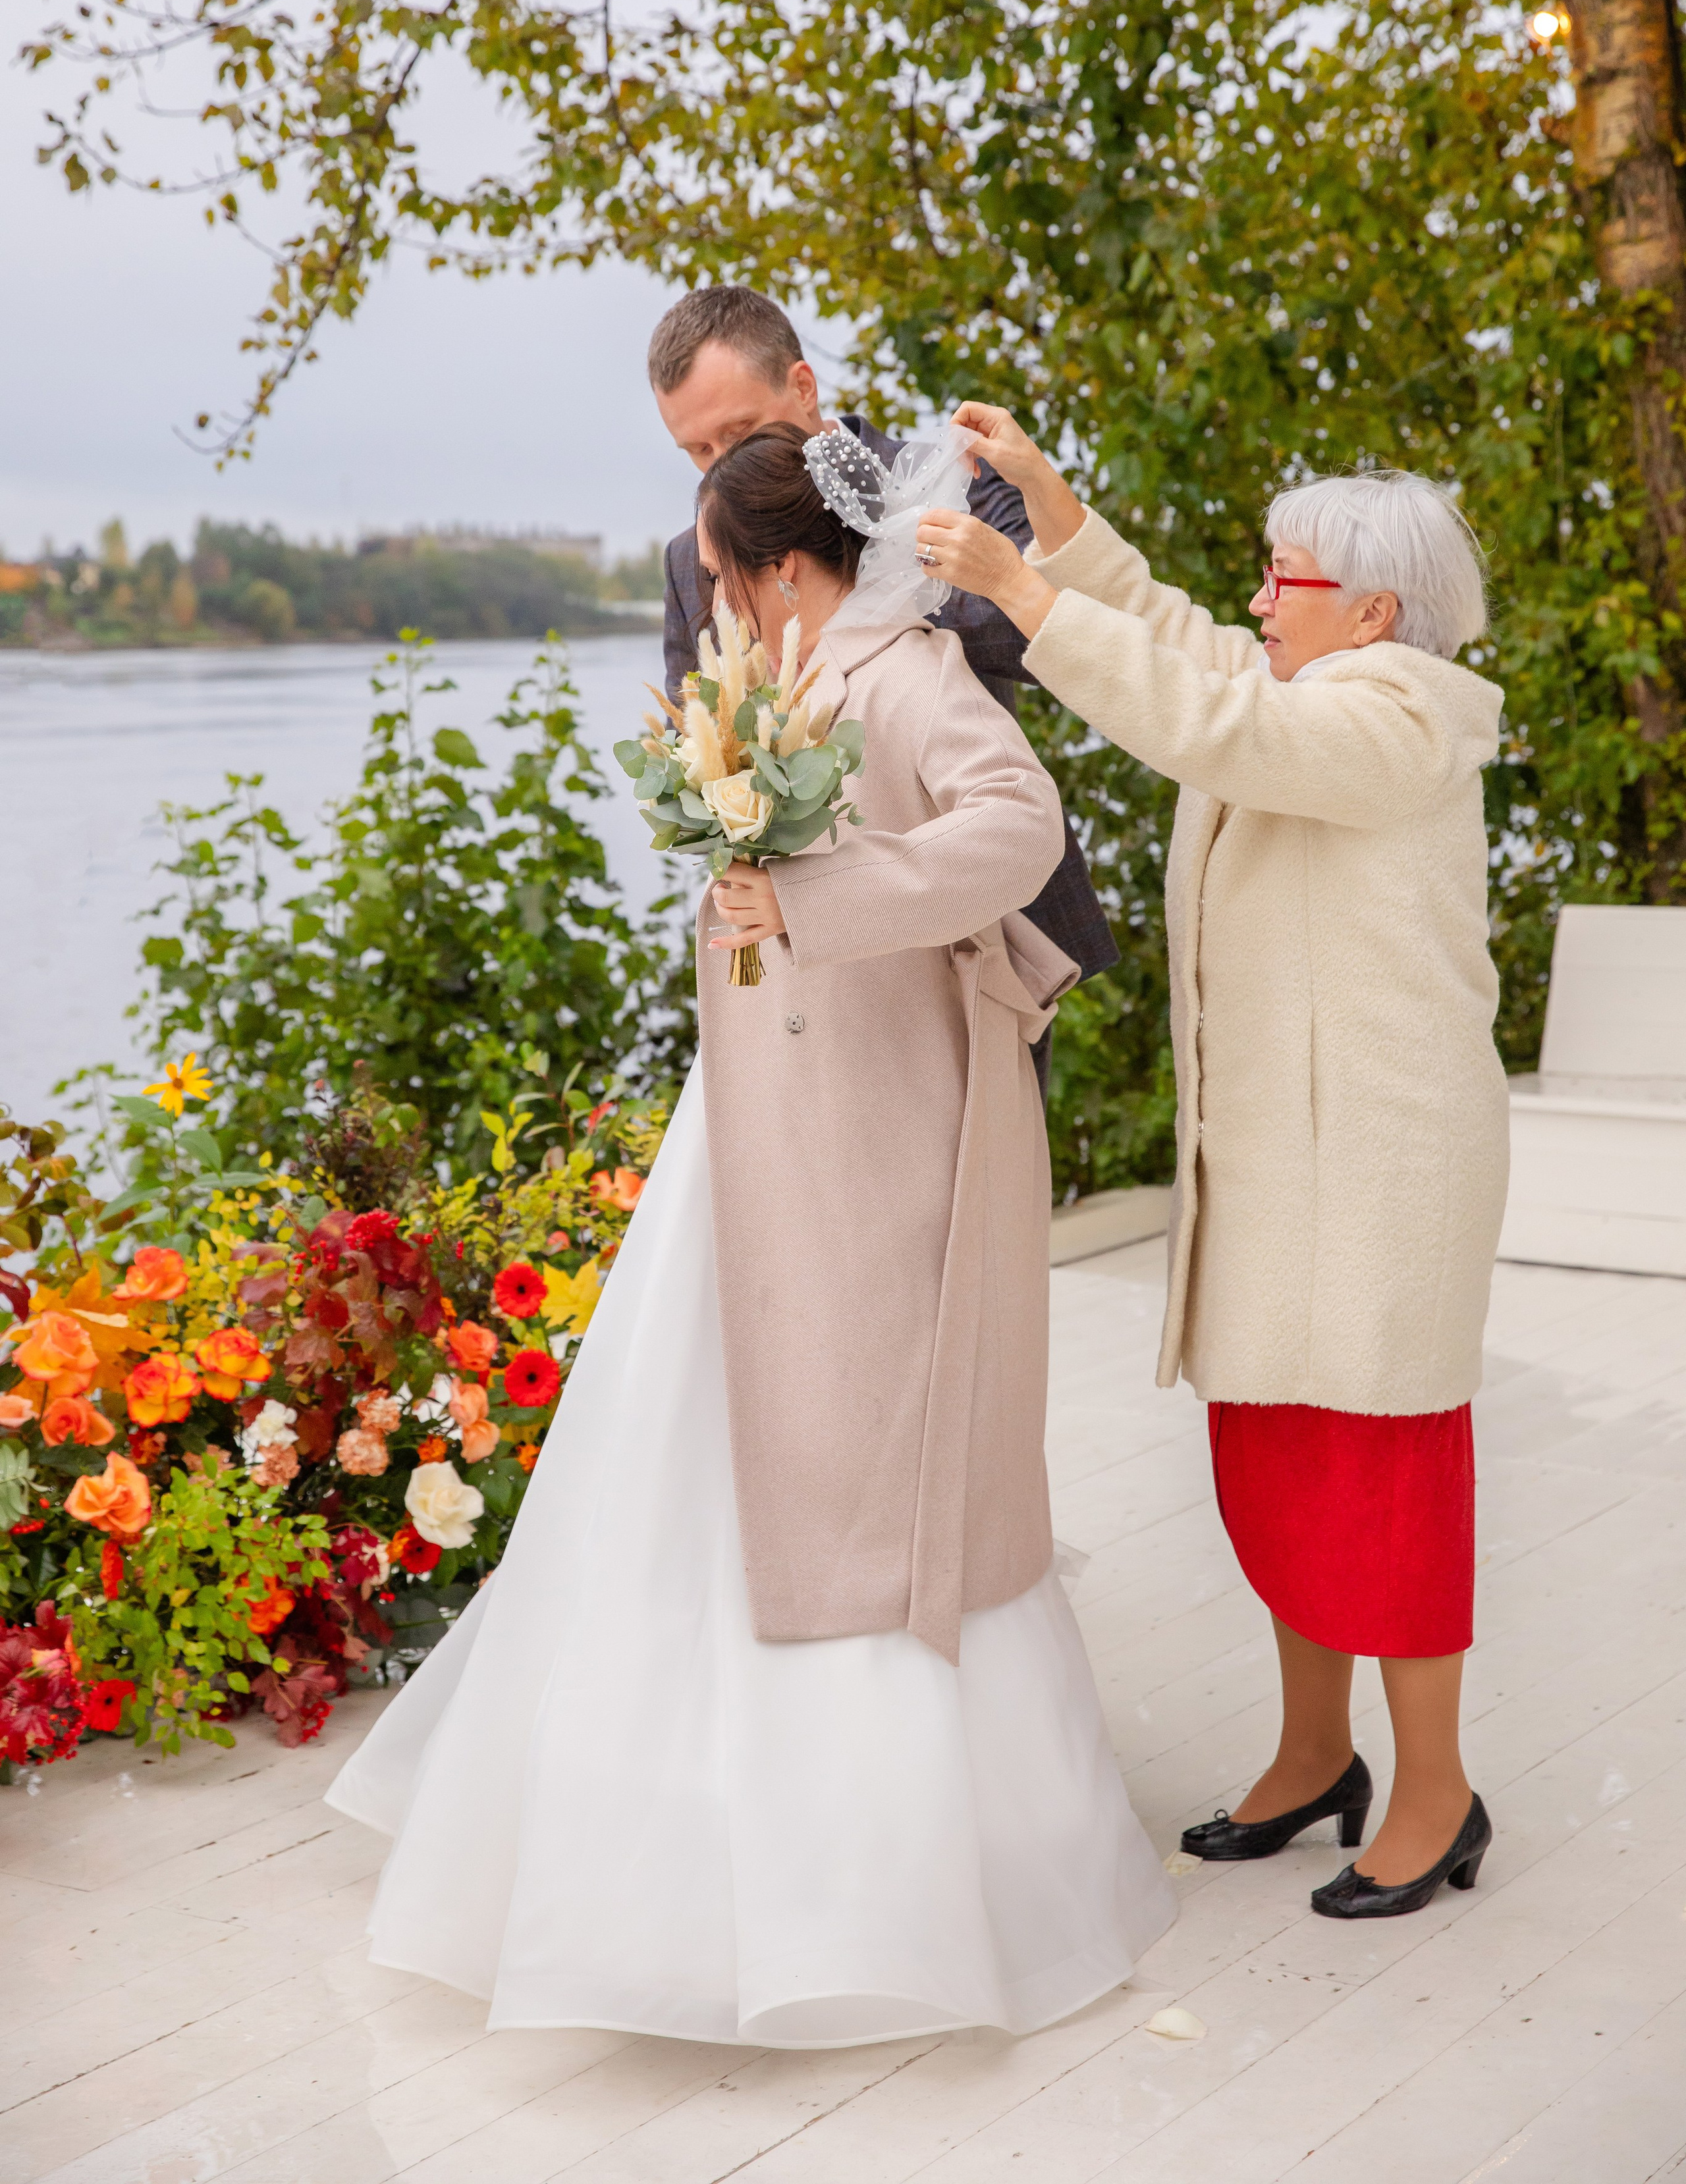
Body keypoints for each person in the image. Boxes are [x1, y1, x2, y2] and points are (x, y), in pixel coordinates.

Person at [324, 416, 1176, 2042]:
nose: (705, 596)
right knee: (694, 1425)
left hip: (874, 1128)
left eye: (719, 570)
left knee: (853, 1435)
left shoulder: (907, 669)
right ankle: (653, 1856)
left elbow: (1016, 830)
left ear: (786, 565)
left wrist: (817, 894)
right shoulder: (779, 680)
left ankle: (878, 1880)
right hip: (756, 1125)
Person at [915, 414, 1506, 1922]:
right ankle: (1316, 1751)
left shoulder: (1396, 718)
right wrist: (1055, 517)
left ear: (1368, 610)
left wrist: (1021, 595)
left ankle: (1432, 1788)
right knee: (1276, 1458)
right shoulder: (1301, 678)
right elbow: (1179, 641)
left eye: (1280, 575)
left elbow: (1202, 717)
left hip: (1376, 1165)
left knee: (1381, 1472)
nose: (1255, 597)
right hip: (1282, 1154)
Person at [647, 285, 1118, 1091]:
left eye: (738, 432)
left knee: (972, 1191)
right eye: (696, 450)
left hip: (976, 918)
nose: (719, 466)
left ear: (803, 386)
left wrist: (860, 596)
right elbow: (699, 732)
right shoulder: (693, 549)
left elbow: (1059, 633)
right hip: (802, 940)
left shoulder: (948, 479)